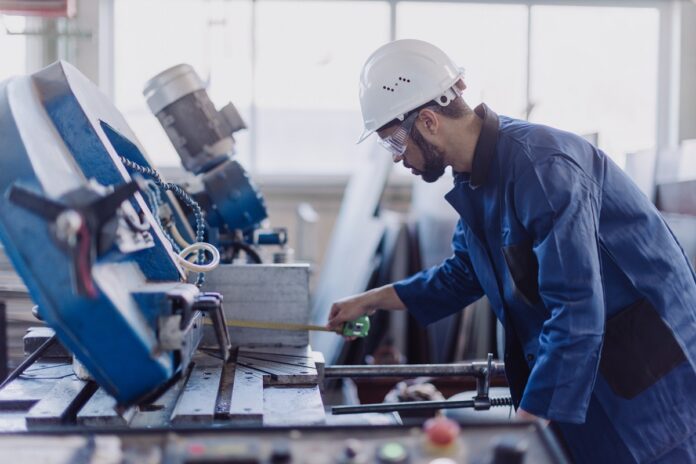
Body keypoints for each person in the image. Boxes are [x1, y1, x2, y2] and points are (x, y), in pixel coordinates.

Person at [326, 39, 696, 463]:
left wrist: (527, 424)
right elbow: (463, 274)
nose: (395, 159)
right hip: (582, 370)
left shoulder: (542, 167)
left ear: (428, 122)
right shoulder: (476, 180)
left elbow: (576, 309)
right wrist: (369, 301)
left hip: (644, 380)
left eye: (393, 142)